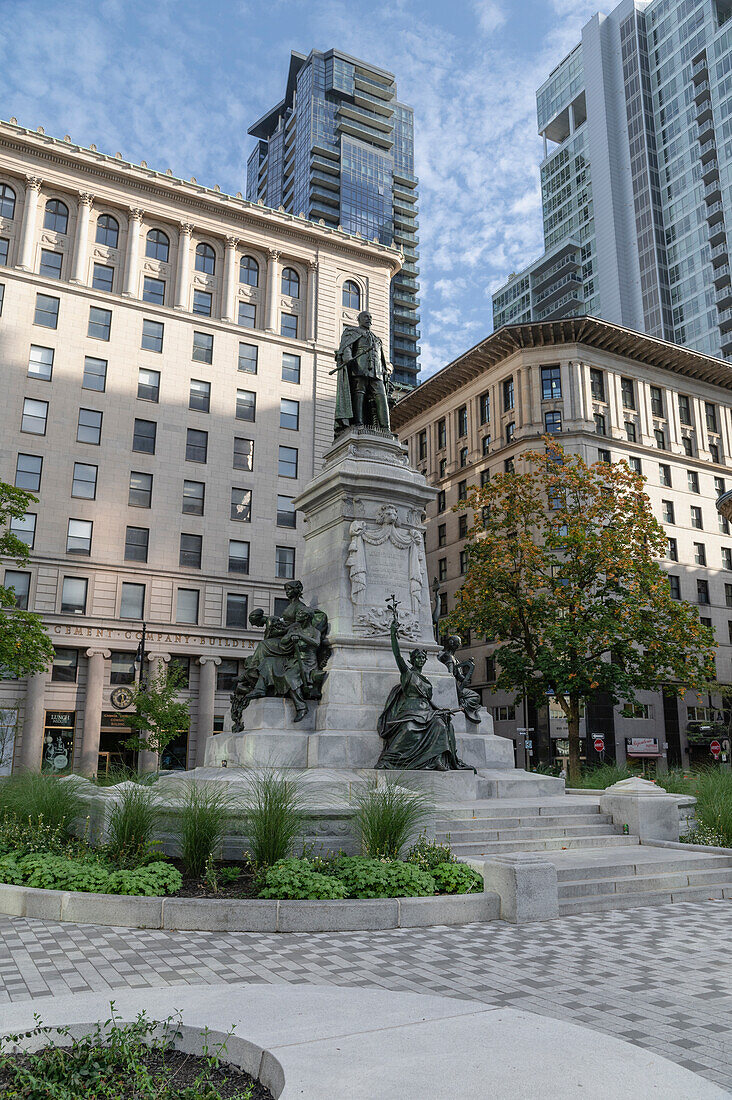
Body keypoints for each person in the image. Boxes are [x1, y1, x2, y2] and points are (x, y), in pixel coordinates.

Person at [376, 611, 475, 772]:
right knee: (408, 728)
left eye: (423, 658)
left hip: (426, 711)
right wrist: (393, 634)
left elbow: (428, 700)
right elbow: (397, 655)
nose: (421, 660)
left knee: (441, 725)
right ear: (412, 660)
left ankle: (436, 760)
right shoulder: (407, 674)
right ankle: (390, 758)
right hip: (410, 711)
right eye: (418, 658)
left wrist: (440, 709)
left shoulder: (425, 679)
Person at [334, 311, 392, 433]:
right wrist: (348, 358)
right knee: (359, 393)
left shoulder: (376, 338)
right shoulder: (352, 332)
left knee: (381, 396)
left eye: (370, 317)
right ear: (358, 319)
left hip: (376, 372)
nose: (369, 319)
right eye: (366, 317)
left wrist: (384, 371)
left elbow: (381, 358)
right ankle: (358, 423)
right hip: (359, 368)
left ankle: (385, 428)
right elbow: (346, 347)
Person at [438, 636, 483, 725]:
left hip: (455, 687)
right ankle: (461, 706)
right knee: (476, 697)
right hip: (451, 688)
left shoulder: (455, 659)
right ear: (451, 643)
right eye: (458, 642)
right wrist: (458, 692)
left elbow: (458, 676)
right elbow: (450, 678)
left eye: (459, 642)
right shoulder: (448, 658)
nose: (459, 644)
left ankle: (462, 704)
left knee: (475, 696)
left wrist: (465, 679)